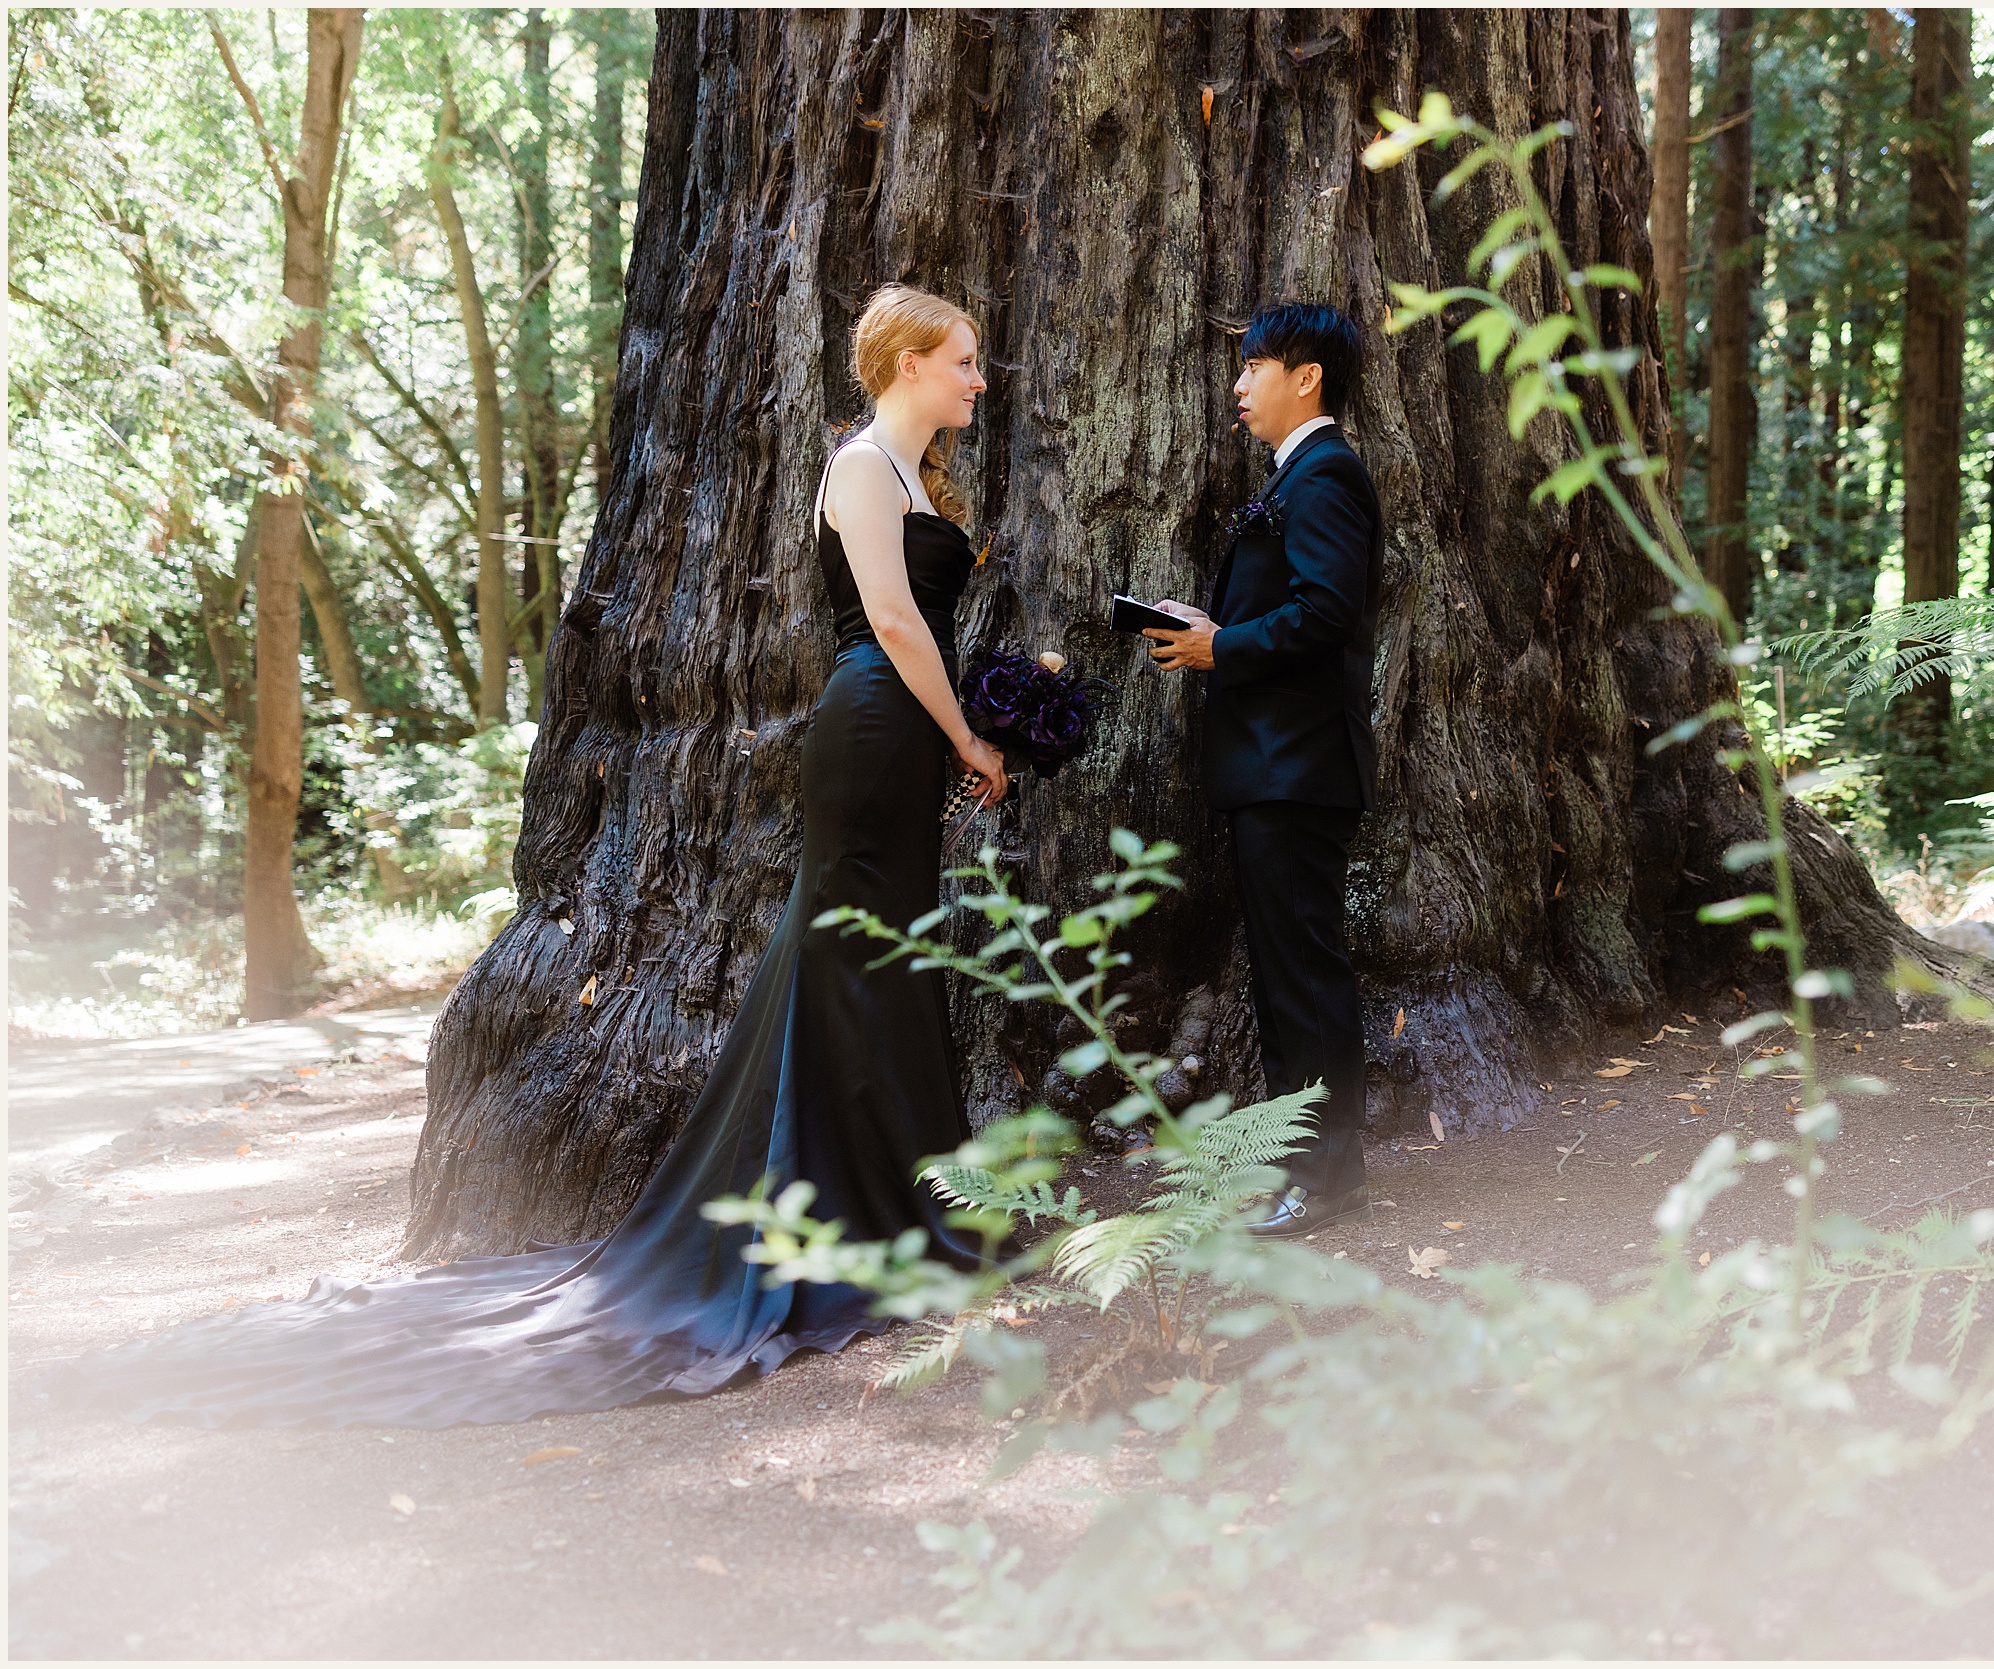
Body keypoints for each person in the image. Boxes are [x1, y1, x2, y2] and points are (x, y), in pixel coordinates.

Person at [58, 284, 1007, 1429]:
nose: (977, 379)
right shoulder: (860, 469)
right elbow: (898, 624)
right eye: (961, 360)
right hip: (875, 723)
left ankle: (898, 1204)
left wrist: (972, 725)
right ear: (905, 363)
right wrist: (966, 733)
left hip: (906, 730)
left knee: (887, 958)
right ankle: (858, 1217)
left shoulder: (915, 477)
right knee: (851, 957)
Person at [1144, 301, 1384, 1236]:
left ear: (1306, 376)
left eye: (1253, 367)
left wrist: (1222, 647)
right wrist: (1209, 628)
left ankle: (1329, 1181)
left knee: (1306, 982)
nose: (1238, 386)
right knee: (1287, 982)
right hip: (1275, 768)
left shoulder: (1325, 476)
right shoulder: (1302, 474)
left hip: (1298, 767)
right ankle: (1311, 1172)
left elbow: (1329, 613)